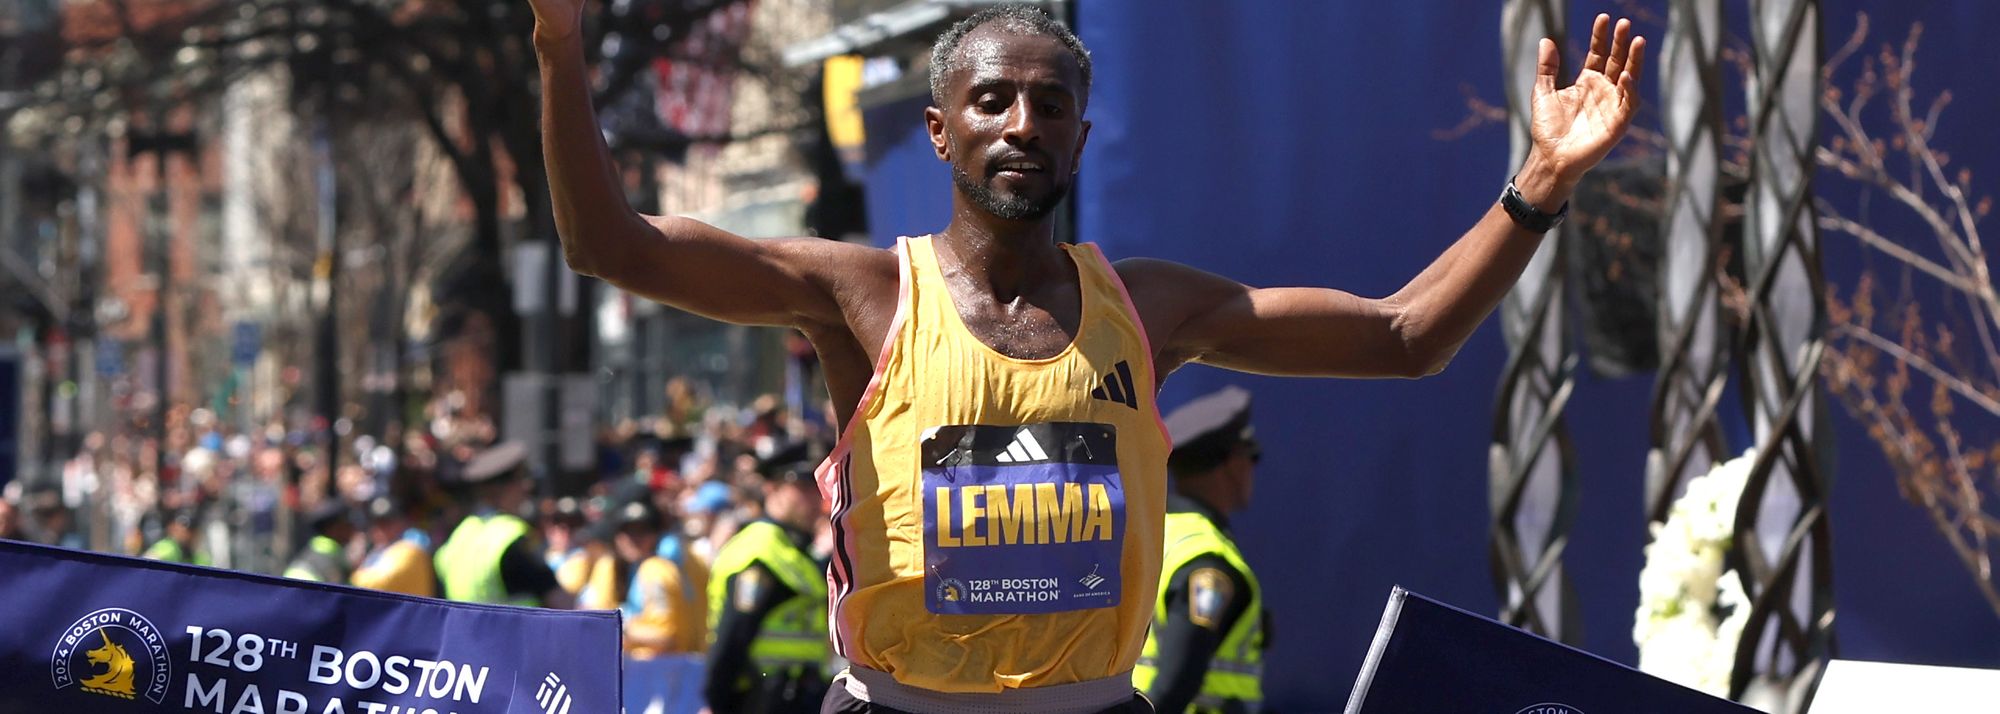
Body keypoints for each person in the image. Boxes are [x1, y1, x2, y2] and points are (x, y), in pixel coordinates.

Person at [527, 0, 1645, 706]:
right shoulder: (859, 294)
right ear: (939, 130)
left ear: (1080, 133)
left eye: (1049, 103)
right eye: (992, 99)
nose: (1021, 122)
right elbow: (606, 245)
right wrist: (560, 41)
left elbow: (1403, 338)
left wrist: (1536, 189)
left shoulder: (1146, 309)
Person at [1135, 388, 1267, 714]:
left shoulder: (1153, 534)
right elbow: (1177, 682)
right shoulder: (1207, 563)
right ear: (1231, 463)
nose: (1252, 469)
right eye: (1252, 455)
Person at [702, 447, 829, 714]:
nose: (813, 498)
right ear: (772, 488)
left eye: (815, 487)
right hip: (761, 699)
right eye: (801, 487)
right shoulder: (760, 550)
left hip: (798, 696)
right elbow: (733, 635)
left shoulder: (794, 547)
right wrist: (717, 701)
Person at [433, 441, 575, 608]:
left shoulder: (459, 534)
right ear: (498, 489)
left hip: (464, 634)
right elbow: (561, 603)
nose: (527, 486)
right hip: (516, 634)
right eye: (521, 478)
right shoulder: (511, 536)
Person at [581, 500, 710, 658]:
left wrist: (619, 627)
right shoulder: (624, 568)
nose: (633, 539)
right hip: (655, 668)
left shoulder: (655, 569)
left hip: (666, 670)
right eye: (627, 532)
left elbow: (665, 636)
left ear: (654, 535)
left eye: (642, 531)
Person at [351, 497, 439, 597]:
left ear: (401, 522)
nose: (382, 530)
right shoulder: (376, 552)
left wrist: (356, 575)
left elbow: (378, 585)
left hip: (414, 610)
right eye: (378, 524)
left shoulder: (413, 543)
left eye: (388, 523)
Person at [284, 502, 355, 582]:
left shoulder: (314, 548)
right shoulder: (333, 553)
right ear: (334, 529)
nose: (352, 529)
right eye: (346, 525)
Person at [142, 510, 211, 566]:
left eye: (187, 530)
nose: (182, 533)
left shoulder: (200, 556)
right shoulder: (168, 546)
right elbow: (147, 561)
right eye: (179, 528)